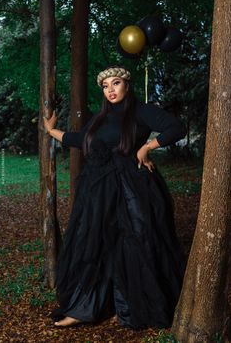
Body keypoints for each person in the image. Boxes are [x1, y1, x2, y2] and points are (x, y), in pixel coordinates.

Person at [43, 66, 187, 330]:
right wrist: (52, 131)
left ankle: (131, 309)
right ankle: (83, 309)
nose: (110, 89)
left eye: (116, 83)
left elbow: (176, 127)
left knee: (135, 241)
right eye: (105, 86)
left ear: (127, 85)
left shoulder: (142, 111)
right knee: (95, 243)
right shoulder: (99, 118)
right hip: (98, 189)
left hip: (131, 186)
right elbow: (80, 139)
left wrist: (147, 147)